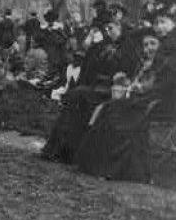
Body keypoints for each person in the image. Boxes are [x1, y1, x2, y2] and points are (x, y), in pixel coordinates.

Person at [75, 25, 175, 182]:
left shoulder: (166, 65)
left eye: (152, 44)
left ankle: (112, 168)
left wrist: (140, 89)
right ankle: (95, 164)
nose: (149, 48)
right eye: (146, 45)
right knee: (108, 108)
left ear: (160, 45)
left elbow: (160, 89)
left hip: (155, 105)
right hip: (140, 100)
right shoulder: (148, 64)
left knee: (114, 113)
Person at [40, 18, 138, 163]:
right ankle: (61, 149)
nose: (108, 31)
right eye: (107, 29)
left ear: (120, 27)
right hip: (95, 87)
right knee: (75, 97)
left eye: (112, 28)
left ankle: (70, 152)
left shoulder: (129, 49)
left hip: (112, 91)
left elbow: (127, 73)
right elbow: (88, 69)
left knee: (79, 96)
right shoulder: (100, 46)